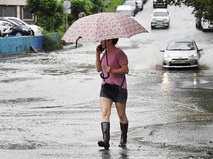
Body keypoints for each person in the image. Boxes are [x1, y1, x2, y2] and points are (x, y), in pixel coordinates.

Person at [96, 38, 129, 149]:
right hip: (106, 87)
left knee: (121, 115)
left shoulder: (119, 53)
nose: (100, 42)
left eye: (102, 40)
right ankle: (106, 141)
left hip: (119, 88)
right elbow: (98, 69)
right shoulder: (104, 54)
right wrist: (97, 54)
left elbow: (126, 70)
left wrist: (113, 70)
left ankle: (123, 138)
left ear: (109, 40)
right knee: (105, 113)